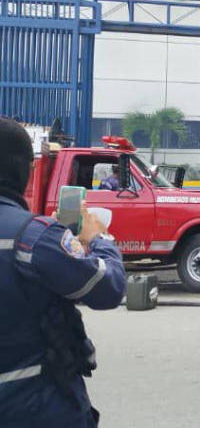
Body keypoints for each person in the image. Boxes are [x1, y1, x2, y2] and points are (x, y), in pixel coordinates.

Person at [0, 117, 127, 427]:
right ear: (27, 170)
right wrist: (98, 238)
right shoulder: (36, 237)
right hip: (33, 407)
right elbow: (107, 288)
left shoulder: (38, 236)